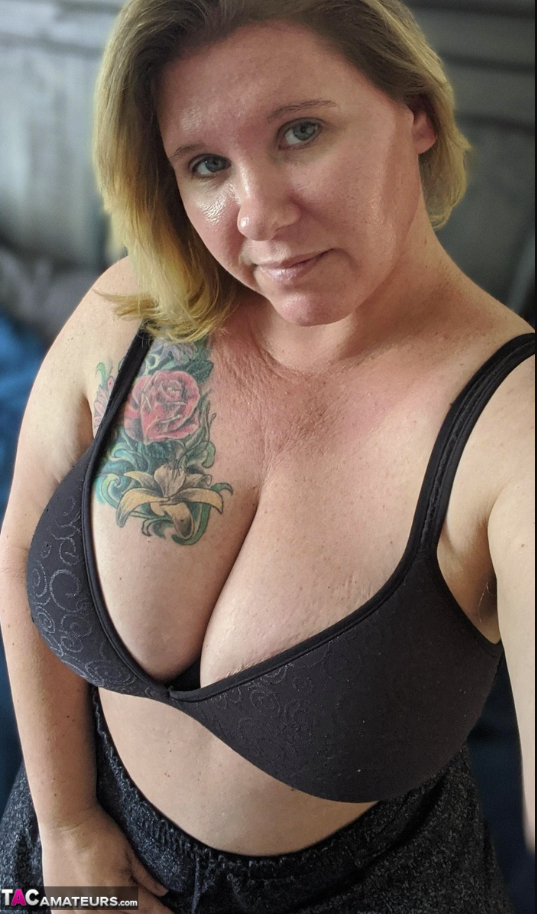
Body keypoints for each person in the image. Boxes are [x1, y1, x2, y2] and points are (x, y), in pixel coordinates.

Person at [0, 1, 534, 911]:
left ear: (416, 111)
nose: (260, 216)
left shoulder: (509, 429)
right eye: (206, 164)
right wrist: (67, 826)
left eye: (300, 132)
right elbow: (20, 547)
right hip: (66, 867)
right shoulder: (131, 312)